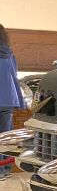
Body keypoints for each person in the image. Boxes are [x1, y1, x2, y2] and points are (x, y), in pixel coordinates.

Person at [0, 25, 24, 180]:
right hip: (7, 100)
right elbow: (14, 75)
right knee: (5, 138)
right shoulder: (9, 54)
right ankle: (4, 170)